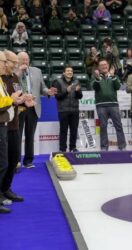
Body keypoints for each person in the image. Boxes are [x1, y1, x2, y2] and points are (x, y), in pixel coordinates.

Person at [17, 52, 57, 168]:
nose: (25, 62)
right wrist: (19, 71)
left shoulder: (37, 71)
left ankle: (28, 161)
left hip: (33, 106)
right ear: (18, 61)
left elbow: (42, 87)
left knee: (30, 135)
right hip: (19, 106)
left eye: (26, 59)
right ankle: (16, 161)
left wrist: (47, 91)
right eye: (22, 60)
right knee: (17, 136)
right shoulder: (14, 72)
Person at [1, 50, 28, 211]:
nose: (15, 65)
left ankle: (6, 188)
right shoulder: (1, 78)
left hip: (14, 124)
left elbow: (17, 98)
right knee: (2, 162)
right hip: (3, 124)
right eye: (12, 62)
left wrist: (25, 101)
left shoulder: (15, 78)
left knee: (13, 159)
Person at [92, 59, 126, 151]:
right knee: (103, 127)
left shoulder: (114, 76)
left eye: (105, 64)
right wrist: (97, 78)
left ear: (108, 66)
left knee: (118, 126)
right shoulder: (95, 77)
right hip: (101, 106)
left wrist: (112, 75)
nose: (104, 66)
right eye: (101, 65)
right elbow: (95, 87)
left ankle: (122, 147)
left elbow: (117, 86)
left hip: (113, 105)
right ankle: (104, 148)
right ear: (99, 67)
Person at [53, 65, 83, 152]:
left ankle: (73, 148)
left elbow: (80, 96)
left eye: (71, 71)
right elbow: (57, 97)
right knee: (63, 131)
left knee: (74, 130)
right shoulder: (57, 82)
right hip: (63, 110)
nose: (70, 72)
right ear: (64, 73)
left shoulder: (76, 81)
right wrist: (66, 91)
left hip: (74, 110)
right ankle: (62, 149)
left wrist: (77, 91)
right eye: (68, 71)